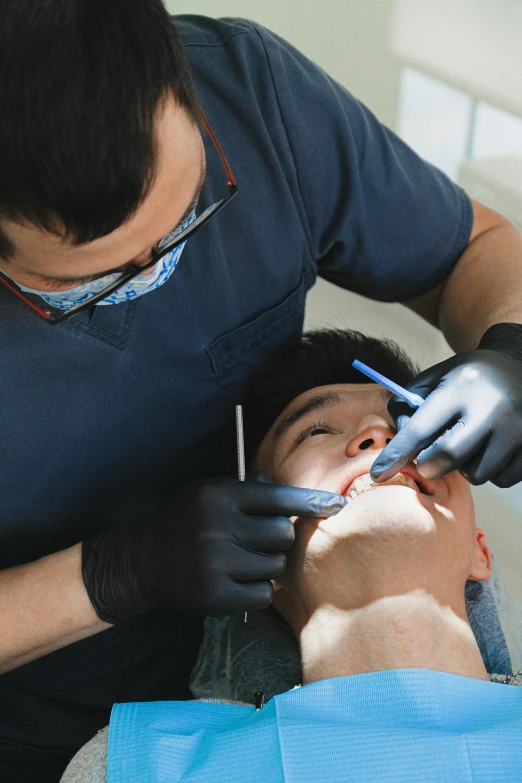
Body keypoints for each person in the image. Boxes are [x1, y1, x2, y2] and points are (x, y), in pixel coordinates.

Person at [1, 1, 522, 778]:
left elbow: (473, 248)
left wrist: (511, 342)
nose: (155, 276)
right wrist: (113, 573)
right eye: (89, 284)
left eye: (187, 218)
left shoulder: (251, 92)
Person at [61, 330, 522, 782]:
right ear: (257, 551)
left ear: (479, 551)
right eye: (315, 431)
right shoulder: (144, 763)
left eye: (410, 418)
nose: (377, 432)